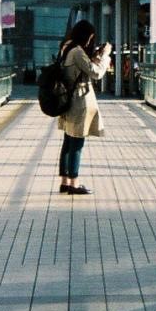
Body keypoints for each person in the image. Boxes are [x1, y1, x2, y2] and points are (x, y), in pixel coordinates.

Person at [56, 20, 112, 195]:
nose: (90, 41)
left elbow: (81, 68)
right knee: (77, 143)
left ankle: (65, 182)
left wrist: (94, 56)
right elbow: (96, 73)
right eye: (90, 37)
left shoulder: (66, 47)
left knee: (68, 141)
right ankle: (74, 184)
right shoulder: (77, 51)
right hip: (78, 101)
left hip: (67, 99)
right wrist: (105, 56)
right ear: (85, 36)